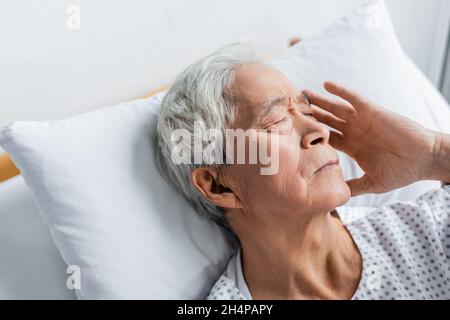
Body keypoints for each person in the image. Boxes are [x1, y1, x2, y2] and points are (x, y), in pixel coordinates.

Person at [156, 43, 450, 299]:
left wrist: (435, 156)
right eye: (275, 121)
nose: (319, 130)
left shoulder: (421, 233)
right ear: (219, 186)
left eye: (307, 111)